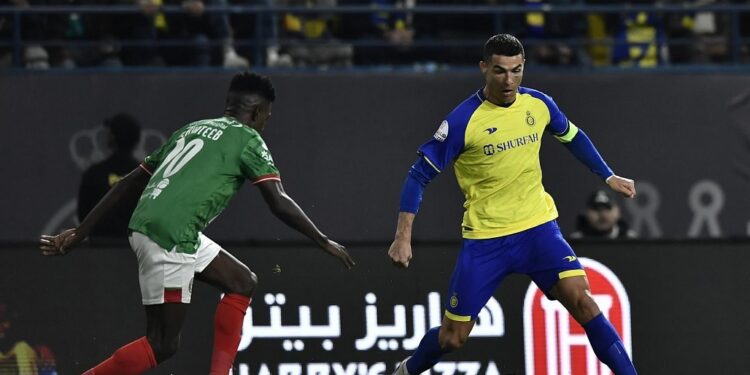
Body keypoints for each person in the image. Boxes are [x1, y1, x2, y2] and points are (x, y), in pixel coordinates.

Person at [39, 72, 355, 375]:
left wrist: (80, 233)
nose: (266, 123)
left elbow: (126, 183)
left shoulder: (192, 128)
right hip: (171, 235)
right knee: (162, 344)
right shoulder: (248, 139)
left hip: (153, 224)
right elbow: (278, 201)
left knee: (242, 282)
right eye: (267, 116)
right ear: (257, 112)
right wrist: (322, 240)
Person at [387, 34, 638, 375]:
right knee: (452, 338)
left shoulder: (539, 105)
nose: (509, 80)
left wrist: (608, 176)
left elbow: (573, 136)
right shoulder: (463, 121)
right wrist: (403, 236)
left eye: (517, 71)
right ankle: (407, 370)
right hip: (487, 241)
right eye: (500, 71)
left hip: (538, 230)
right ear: (484, 68)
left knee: (583, 302)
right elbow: (418, 176)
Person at [77, 113, 142, 241]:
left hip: (99, 250)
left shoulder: (94, 173)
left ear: (112, 136)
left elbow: (83, 216)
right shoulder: (147, 175)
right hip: (134, 252)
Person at [570, 189, 638, 239]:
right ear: (586, 212)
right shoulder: (576, 241)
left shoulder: (630, 240)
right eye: (596, 209)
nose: (602, 214)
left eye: (607, 208)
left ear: (617, 211)